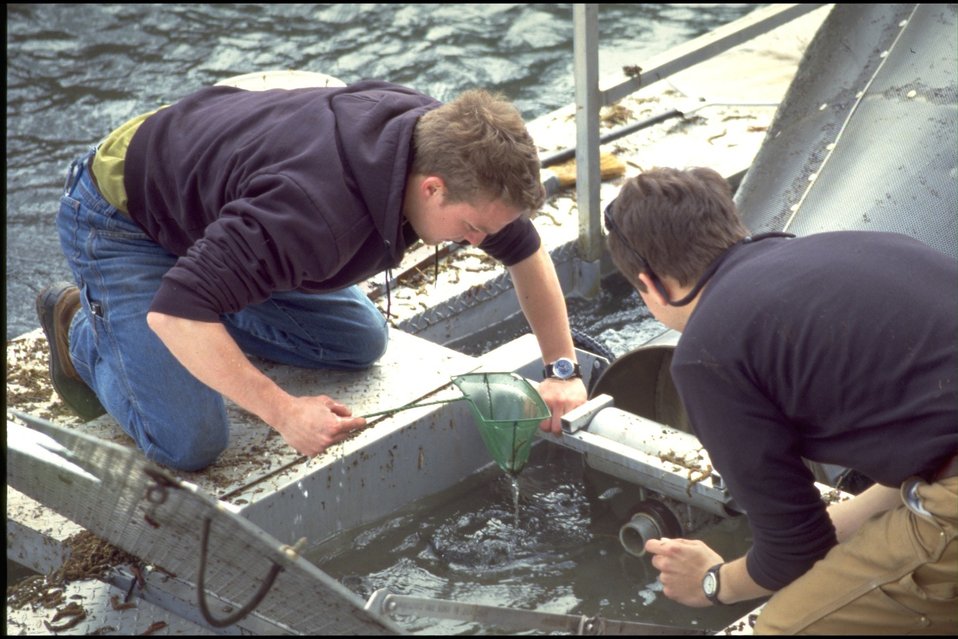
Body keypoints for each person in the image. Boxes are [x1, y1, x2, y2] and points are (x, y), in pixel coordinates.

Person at [37, 79, 588, 472]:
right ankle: (81, 333)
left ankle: (220, 285)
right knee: (191, 443)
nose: (478, 241)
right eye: (470, 228)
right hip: (124, 216)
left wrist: (561, 368)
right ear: (431, 188)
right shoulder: (314, 215)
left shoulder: (441, 143)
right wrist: (283, 411)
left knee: (361, 341)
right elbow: (174, 311)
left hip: (218, 203)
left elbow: (526, 253)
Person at [603, 166, 957, 634]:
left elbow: (795, 551)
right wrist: (836, 527)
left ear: (651, 284)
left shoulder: (707, 352)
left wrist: (713, 583)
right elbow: (930, 442)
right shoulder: (866, 245)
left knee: (780, 627)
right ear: (733, 226)